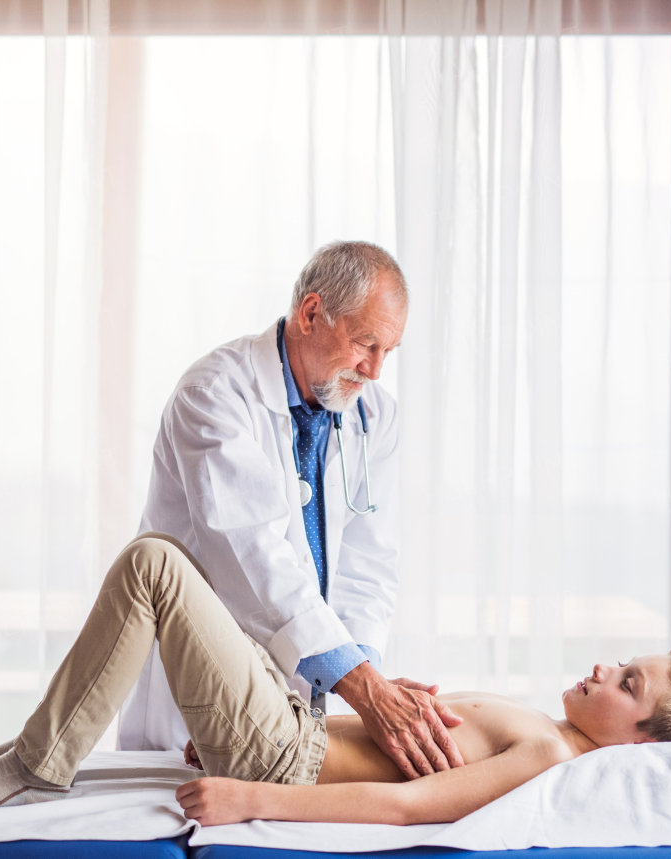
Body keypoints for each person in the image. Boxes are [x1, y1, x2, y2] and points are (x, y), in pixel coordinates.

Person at [0, 536, 671, 823]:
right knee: (183, 566)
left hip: (281, 755)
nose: (604, 667)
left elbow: (409, 805)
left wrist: (254, 797)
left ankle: (35, 761)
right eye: (623, 662)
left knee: (154, 567)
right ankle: (33, 749)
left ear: (640, 739)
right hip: (289, 723)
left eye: (627, 681)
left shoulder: (551, 757)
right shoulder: (547, 733)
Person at [123, 241, 460, 781]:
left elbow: (369, 564)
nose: (374, 370)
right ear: (310, 313)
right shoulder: (214, 396)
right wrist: (363, 686)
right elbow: (253, 559)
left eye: (387, 352)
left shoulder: (375, 415)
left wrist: (362, 677)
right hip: (193, 692)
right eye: (365, 343)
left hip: (294, 718)